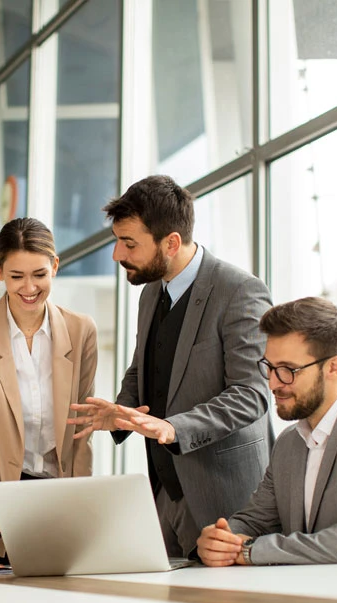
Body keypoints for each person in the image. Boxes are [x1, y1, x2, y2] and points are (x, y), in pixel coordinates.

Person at [69, 174, 273, 557]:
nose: (117, 255)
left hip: (226, 498)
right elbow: (143, 366)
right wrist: (120, 411)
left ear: (172, 242)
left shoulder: (240, 291)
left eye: (129, 244)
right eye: (117, 241)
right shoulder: (150, 293)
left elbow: (252, 394)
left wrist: (172, 427)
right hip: (164, 493)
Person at [0, 217, 98, 570]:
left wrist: (83, 516)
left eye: (39, 274)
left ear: (55, 267)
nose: (29, 287)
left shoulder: (81, 330)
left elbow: (81, 432)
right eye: (17, 276)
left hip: (53, 506)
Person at [197, 297, 337, 566]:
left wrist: (253, 550)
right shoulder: (289, 442)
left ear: (334, 367)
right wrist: (220, 539)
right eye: (270, 368)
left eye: (288, 370)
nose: (274, 383)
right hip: (299, 600)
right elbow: (256, 519)